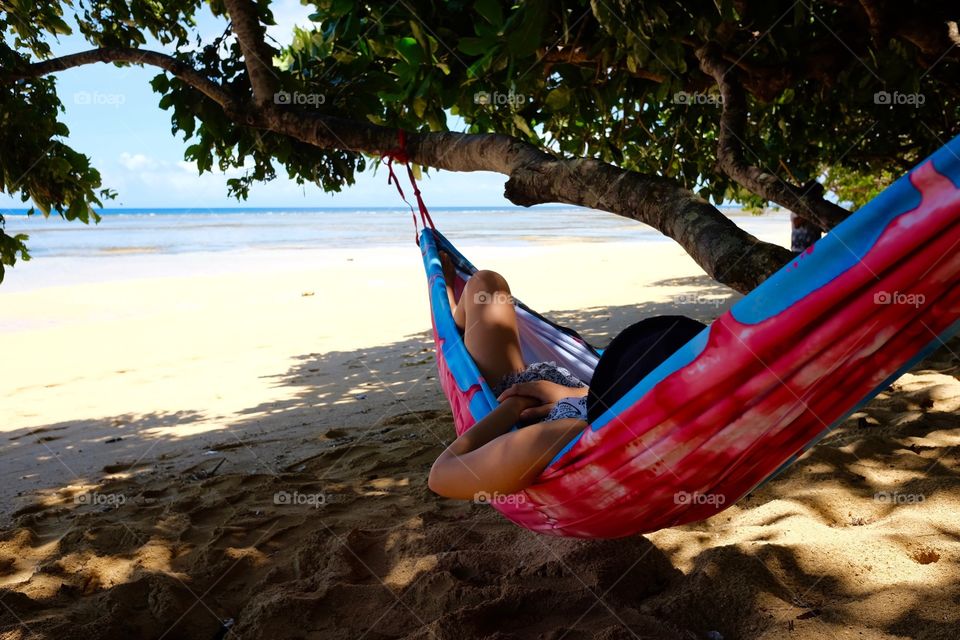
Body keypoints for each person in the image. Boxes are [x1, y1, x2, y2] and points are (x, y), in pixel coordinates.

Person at [427, 251, 706, 501]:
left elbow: (442, 476)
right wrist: (573, 394)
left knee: (485, 285)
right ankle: (460, 319)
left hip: (513, 395)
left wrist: (515, 406)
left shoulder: (564, 434)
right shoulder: (679, 424)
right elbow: (633, 404)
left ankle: (452, 315)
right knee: (487, 287)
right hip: (585, 394)